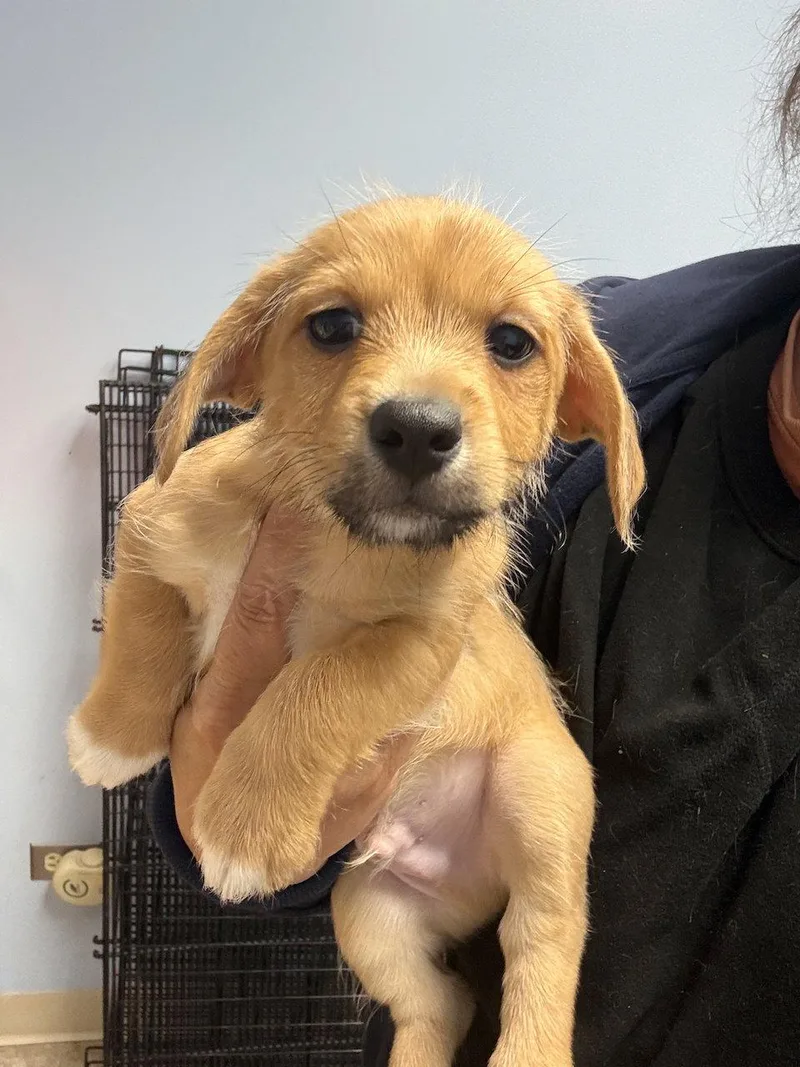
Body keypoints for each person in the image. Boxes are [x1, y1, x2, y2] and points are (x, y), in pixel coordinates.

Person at [148, 14, 800, 1066]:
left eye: (504, 345)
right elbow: (220, 761)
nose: (419, 399)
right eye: (335, 325)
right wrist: (212, 788)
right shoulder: (629, 357)